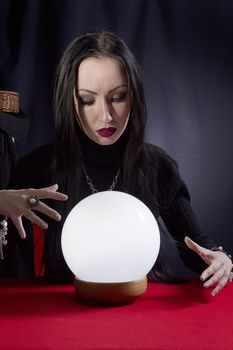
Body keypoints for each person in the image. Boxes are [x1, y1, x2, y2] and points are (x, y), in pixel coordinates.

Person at [2, 31, 232, 295]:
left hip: (139, 316)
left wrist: (219, 258)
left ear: (134, 97)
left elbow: (197, 248)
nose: (106, 115)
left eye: (118, 97)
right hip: (57, 317)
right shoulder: (38, 166)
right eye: (88, 100)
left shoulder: (157, 167)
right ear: (70, 101)